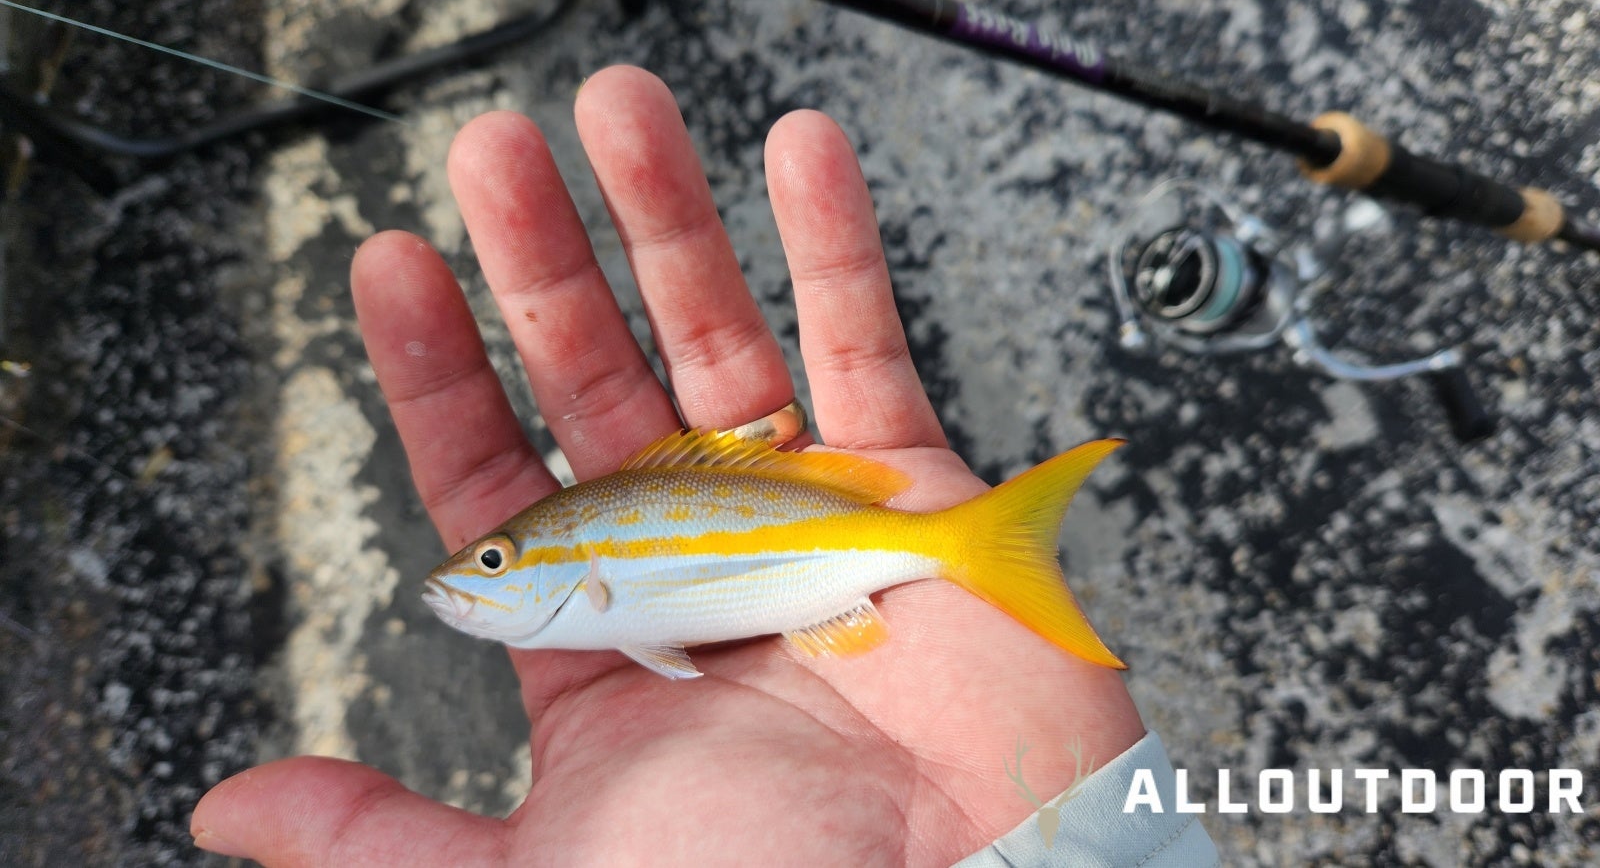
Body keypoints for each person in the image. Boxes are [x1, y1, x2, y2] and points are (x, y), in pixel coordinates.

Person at [190, 65, 1215, 866]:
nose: (469, 574)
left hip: (842, 549)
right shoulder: (594, 589)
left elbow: (659, 618)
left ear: (549, 559)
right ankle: (973, 546)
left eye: (496, 560)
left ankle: (973, 544)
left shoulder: (594, 577)